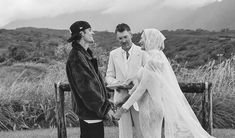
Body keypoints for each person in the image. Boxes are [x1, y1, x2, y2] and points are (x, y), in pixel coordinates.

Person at [113, 28, 215, 138]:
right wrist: (125, 96)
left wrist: (122, 110)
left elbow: (140, 90)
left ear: (149, 41)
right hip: (154, 107)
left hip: (149, 108)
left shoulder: (151, 62)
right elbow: (142, 85)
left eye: (142, 38)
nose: (140, 41)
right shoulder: (156, 60)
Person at [66, 21, 113, 138]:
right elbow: (87, 90)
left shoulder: (85, 55)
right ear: (82, 33)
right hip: (90, 113)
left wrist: (106, 102)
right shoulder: (77, 57)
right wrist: (105, 109)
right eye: (90, 30)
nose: (93, 33)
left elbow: (94, 84)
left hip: (92, 112)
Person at [106, 23, 146, 138]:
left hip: (139, 98)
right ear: (117, 38)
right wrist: (116, 83)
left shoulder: (142, 52)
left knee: (142, 132)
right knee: (124, 134)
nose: (123, 40)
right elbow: (109, 76)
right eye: (120, 38)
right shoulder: (113, 54)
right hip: (120, 98)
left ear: (131, 35)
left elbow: (147, 74)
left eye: (125, 37)